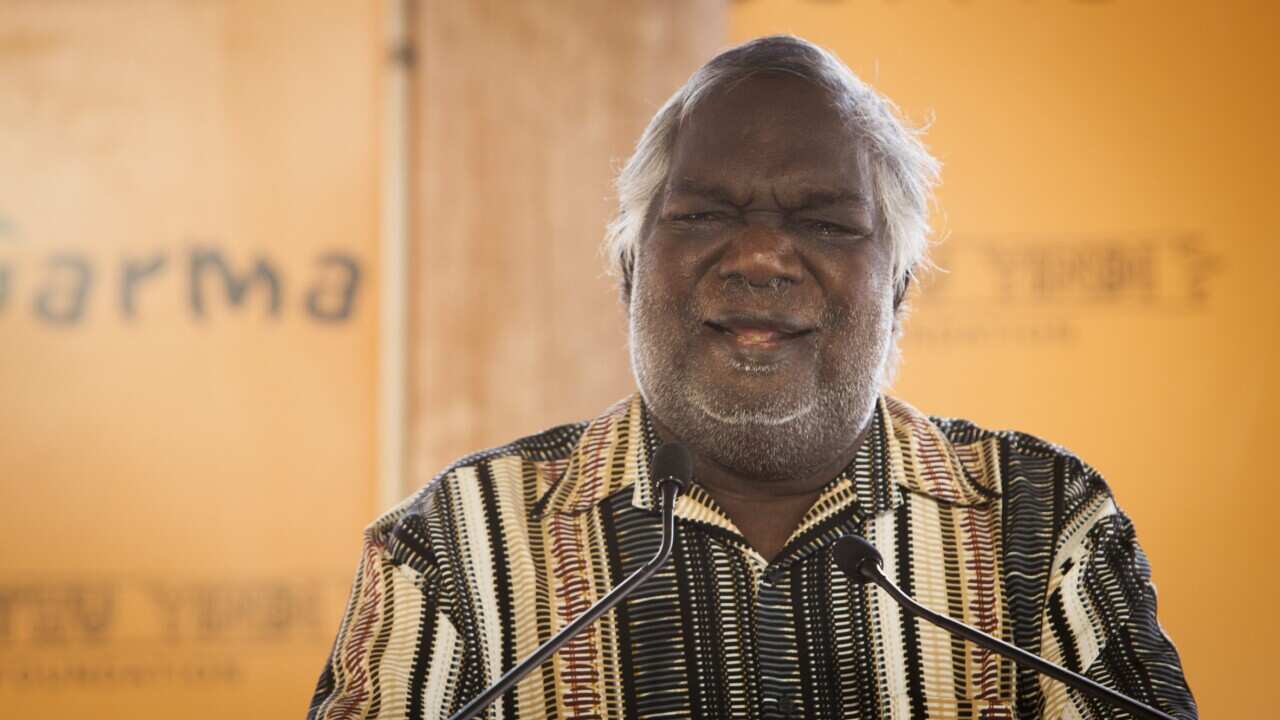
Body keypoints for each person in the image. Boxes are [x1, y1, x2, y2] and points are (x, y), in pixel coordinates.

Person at [308, 36, 1196, 720]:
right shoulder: (454, 548)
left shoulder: (1044, 525)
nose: (765, 255)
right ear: (627, 273)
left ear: (899, 290)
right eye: (705, 213)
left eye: (825, 221)